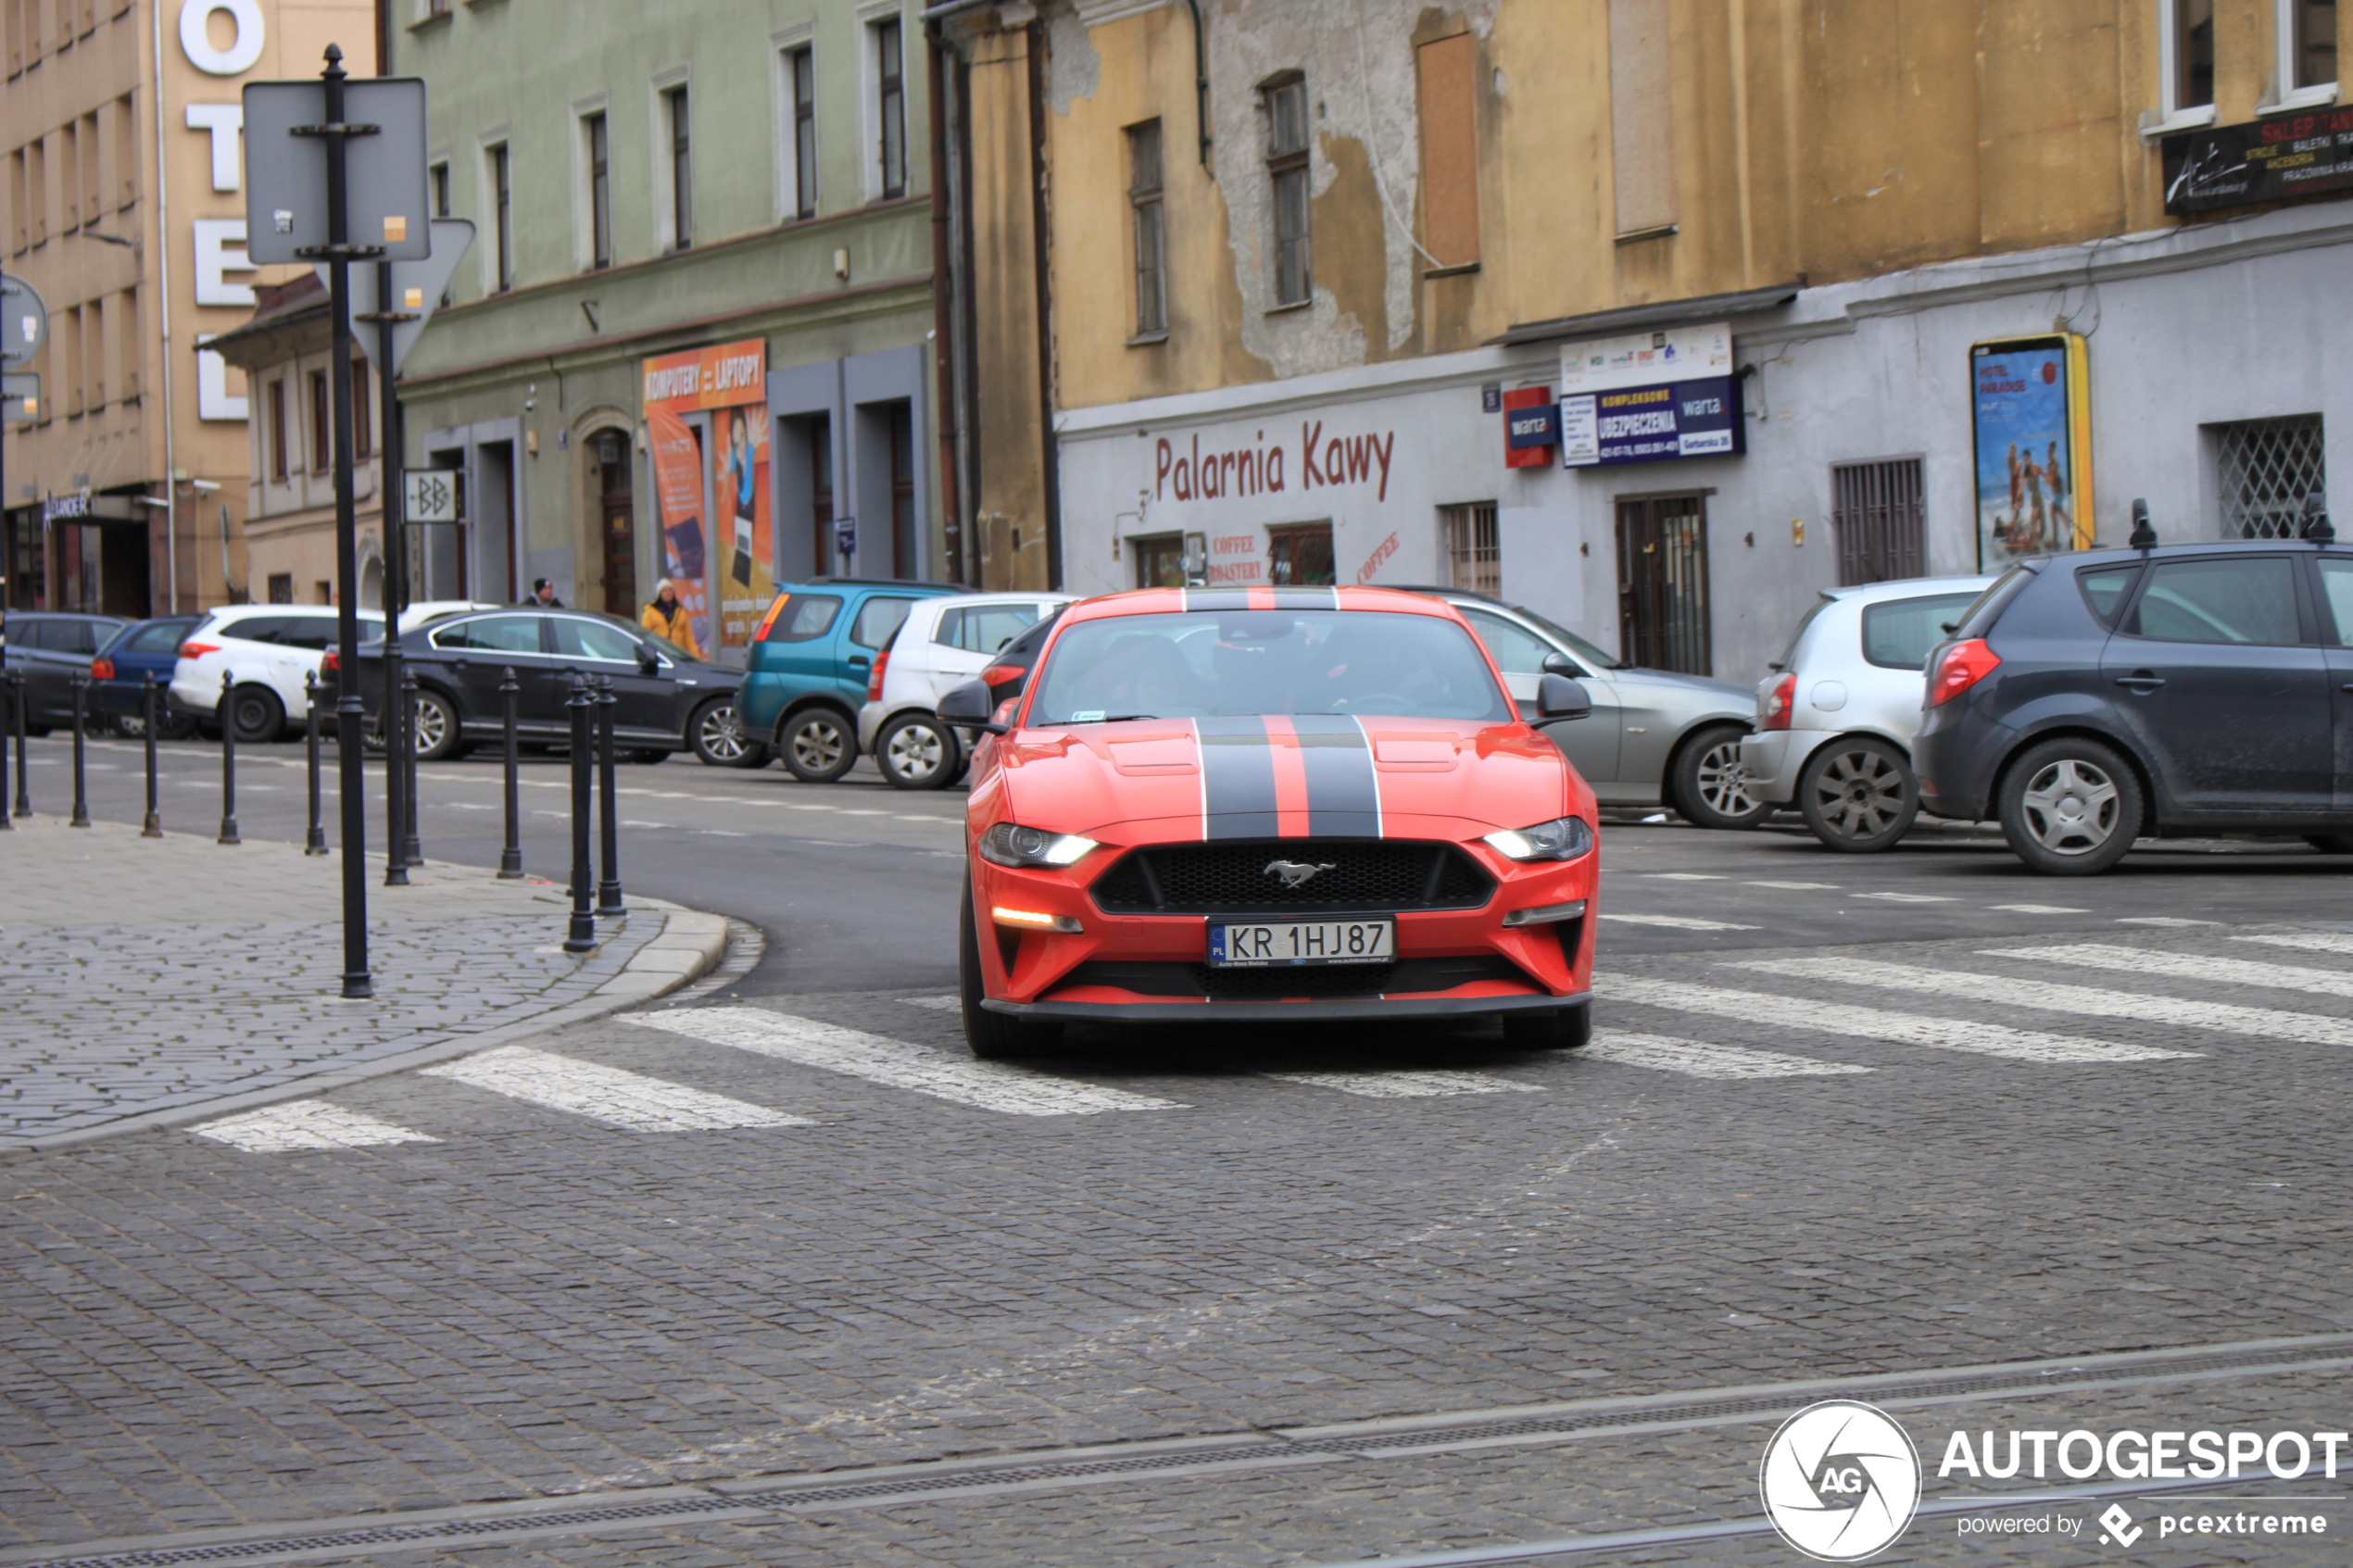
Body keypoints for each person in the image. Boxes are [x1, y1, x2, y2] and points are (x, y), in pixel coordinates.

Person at [641, 579, 701, 658]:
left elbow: (689, 636)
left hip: (678, 654)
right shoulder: (651, 612)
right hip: (659, 654)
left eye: (670, 590)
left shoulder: (681, 611)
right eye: (664, 591)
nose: (668, 593)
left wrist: (696, 656)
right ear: (660, 594)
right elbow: (645, 635)